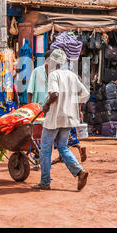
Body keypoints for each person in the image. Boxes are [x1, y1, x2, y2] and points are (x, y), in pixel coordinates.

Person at [32, 49, 90, 191]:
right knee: (63, 147)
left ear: (51, 61)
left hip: (54, 118)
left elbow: (55, 94)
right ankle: (79, 171)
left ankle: (45, 182)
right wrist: (74, 104)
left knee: (45, 149)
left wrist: (46, 105)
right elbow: (85, 93)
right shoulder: (71, 75)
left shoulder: (54, 75)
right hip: (68, 117)